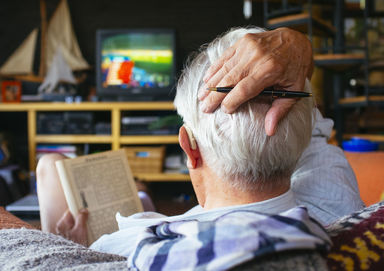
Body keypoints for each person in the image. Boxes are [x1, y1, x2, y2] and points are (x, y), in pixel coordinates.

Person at [36, 27, 363, 258]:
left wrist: (74, 249)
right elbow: (313, 123)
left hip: (142, 226)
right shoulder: (333, 182)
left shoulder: (126, 247)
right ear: (304, 134)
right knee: (139, 190)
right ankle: (143, 194)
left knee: (50, 165)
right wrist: (297, 44)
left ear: (189, 148)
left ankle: (142, 194)